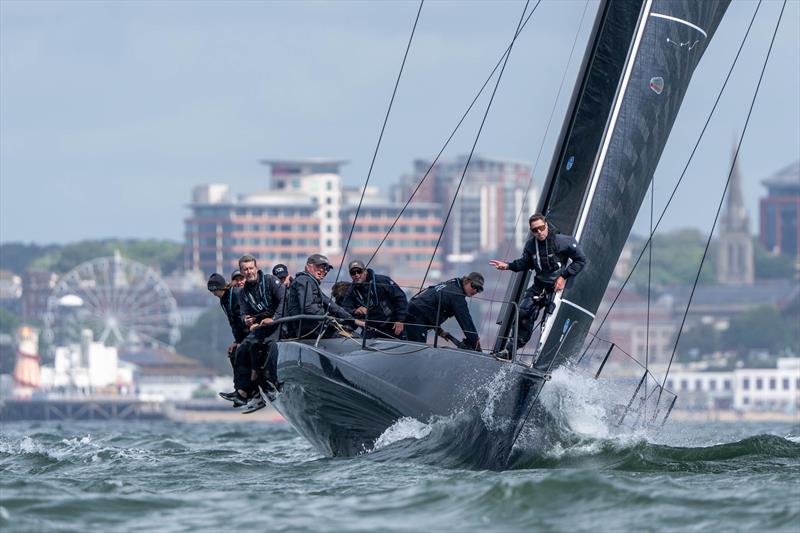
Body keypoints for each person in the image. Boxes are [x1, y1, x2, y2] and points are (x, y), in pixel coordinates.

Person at [489, 213, 586, 353]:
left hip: (557, 288)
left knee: (550, 321)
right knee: (522, 312)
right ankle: (510, 351)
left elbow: (581, 260)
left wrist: (563, 277)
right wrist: (508, 266)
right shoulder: (530, 245)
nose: (539, 232)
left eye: (541, 227)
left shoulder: (563, 241)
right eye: (535, 230)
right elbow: (524, 263)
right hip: (539, 287)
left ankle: (546, 359)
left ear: (546, 225)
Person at [232, 254, 286, 412]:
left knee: (269, 349)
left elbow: (284, 299)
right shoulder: (243, 292)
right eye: (245, 270)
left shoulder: (270, 281)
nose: (249, 272)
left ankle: (271, 383)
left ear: (256, 268)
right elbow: (242, 313)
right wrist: (247, 321)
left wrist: (274, 318)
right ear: (242, 272)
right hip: (260, 327)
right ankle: (242, 391)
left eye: (251, 268)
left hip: (278, 324)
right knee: (241, 349)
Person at [285, 253, 363, 338]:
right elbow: (307, 307)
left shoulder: (312, 282)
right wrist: (328, 316)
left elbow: (330, 304)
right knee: (352, 338)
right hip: (307, 328)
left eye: (327, 269)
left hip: (316, 325)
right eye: (320, 267)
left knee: (352, 334)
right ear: (308, 266)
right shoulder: (303, 280)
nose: (324, 271)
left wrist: (352, 319)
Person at [404, 272, 484, 351]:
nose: (475, 290)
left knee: (409, 347)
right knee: (417, 351)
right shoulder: (457, 295)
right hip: (417, 316)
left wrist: (439, 331)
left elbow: (431, 306)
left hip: (413, 311)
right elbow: (466, 320)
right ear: (466, 281)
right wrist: (475, 342)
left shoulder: (453, 283)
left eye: (479, 289)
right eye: (474, 286)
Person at [207, 273, 248, 404]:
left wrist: (242, 340)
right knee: (233, 354)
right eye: (211, 291)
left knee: (241, 353)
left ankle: (245, 392)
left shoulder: (235, 294)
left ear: (220, 287)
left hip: (250, 333)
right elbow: (233, 323)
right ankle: (239, 391)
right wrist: (237, 341)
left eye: (214, 290)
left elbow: (242, 318)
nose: (213, 293)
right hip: (241, 336)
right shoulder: (223, 300)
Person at [341, 260, 408, 339]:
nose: (356, 275)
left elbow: (400, 297)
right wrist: (355, 311)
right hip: (371, 328)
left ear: (365, 271)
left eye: (359, 271)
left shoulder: (382, 280)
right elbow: (344, 309)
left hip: (392, 326)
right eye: (353, 273)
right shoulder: (352, 290)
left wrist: (400, 320)